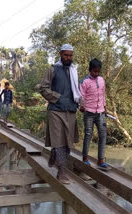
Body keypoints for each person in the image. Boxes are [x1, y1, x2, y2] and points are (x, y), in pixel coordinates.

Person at [38, 44, 81, 184]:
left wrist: (81, 103)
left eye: (70, 55)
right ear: (60, 54)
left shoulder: (74, 71)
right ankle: (61, 172)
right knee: (58, 140)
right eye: (65, 55)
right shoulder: (52, 69)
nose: (68, 58)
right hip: (56, 110)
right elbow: (43, 88)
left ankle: (55, 154)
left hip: (71, 110)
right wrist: (56, 97)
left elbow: (78, 91)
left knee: (68, 142)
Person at [80, 58, 108, 168]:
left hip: (100, 112)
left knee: (103, 135)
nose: (96, 73)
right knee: (88, 134)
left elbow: (103, 94)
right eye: (94, 71)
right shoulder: (84, 82)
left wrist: (105, 107)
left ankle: (101, 160)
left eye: (98, 71)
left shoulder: (101, 80)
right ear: (89, 70)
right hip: (89, 112)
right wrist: (81, 106)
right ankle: (85, 158)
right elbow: (81, 96)